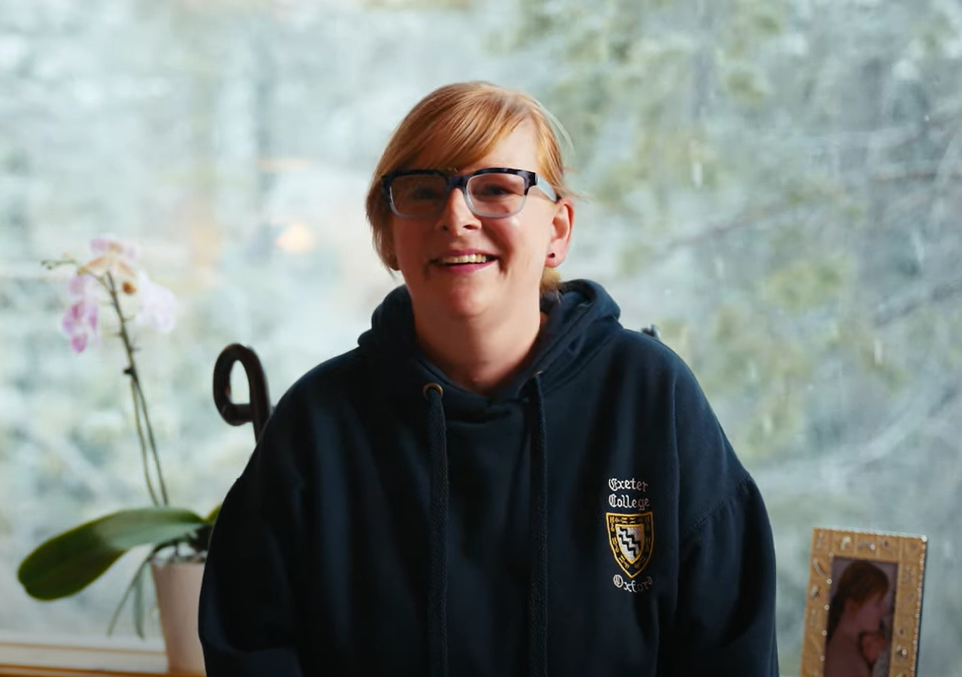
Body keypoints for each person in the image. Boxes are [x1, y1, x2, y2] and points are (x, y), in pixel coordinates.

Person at [198, 81, 779, 676]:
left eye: (497, 189)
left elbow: (732, 650)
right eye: (423, 192)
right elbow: (251, 648)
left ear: (557, 231)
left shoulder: (653, 400)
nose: (456, 216)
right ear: (388, 235)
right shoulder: (315, 427)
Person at [824, 561, 891, 677]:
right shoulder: (842, 661)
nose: (884, 609)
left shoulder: (853, 646)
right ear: (851, 606)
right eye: (877, 603)